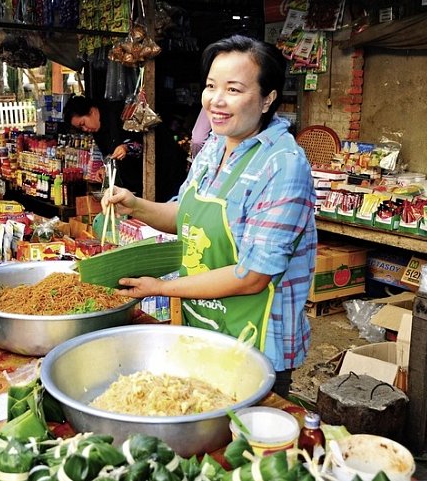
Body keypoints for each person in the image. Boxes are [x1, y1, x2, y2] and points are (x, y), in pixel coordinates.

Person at [102, 35, 317, 398]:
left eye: (233, 89)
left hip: (257, 340)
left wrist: (161, 288)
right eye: (211, 86)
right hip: (204, 327)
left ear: (268, 98)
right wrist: (134, 205)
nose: (216, 100)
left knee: (246, 446)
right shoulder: (213, 148)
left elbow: (252, 276)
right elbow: (184, 215)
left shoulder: (283, 165)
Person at [63, 95, 187, 202]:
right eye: (81, 128)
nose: (85, 129)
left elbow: (144, 140)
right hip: (135, 183)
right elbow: (111, 155)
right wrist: (105, 167)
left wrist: (126, 147)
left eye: (83, 124)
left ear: (92, 111)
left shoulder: (119, 113)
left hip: (163, 171)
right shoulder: (98, 132)